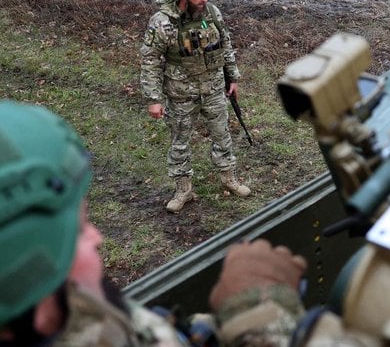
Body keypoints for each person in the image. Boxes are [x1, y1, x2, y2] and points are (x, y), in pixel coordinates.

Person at [0, 100, 306, 347]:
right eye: (77, 232)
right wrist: (263, 326)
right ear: (21, 277)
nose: (97, 238)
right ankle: (183, 188)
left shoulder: (74, 311)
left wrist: (208, 328)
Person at [140, 0, 251, 213]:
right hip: (181, 93)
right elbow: (150, 61)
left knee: (222, 135)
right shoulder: (163, 22)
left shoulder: (211, 13)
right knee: (180, 142)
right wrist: (153, 99)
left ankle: (228, 177)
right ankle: (183, 189)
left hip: (212, 88)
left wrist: (232, 77)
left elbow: (226, 44)